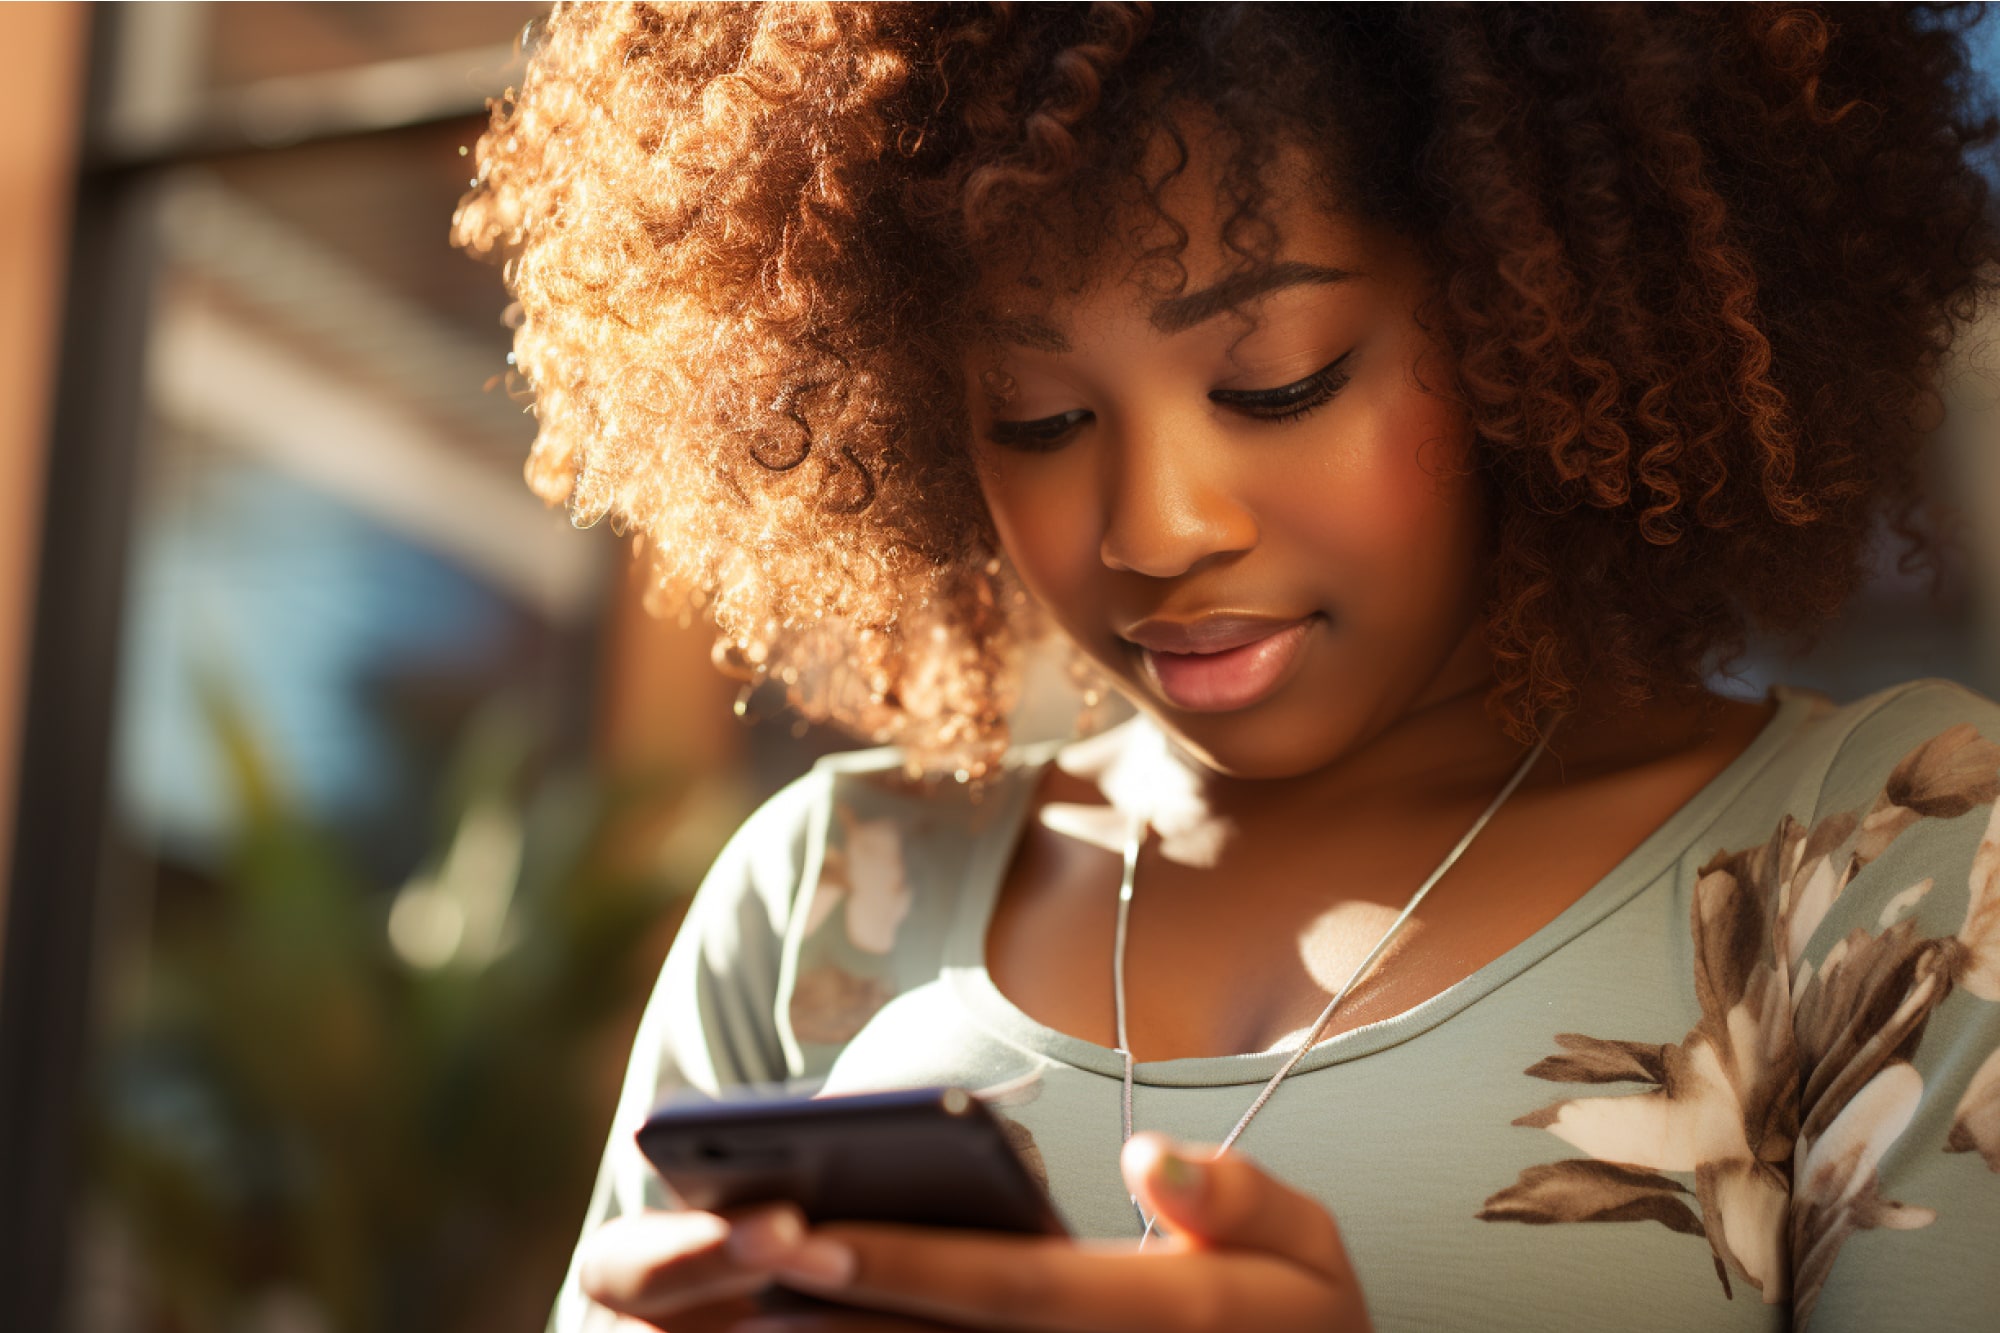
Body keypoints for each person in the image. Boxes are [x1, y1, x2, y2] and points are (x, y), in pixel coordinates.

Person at [452, 4, 2000, 1329]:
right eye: (1039, 418)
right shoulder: (824, 898)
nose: (1155, 527)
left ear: (1542, 323)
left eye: (1279, 384)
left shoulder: (1895, 863)